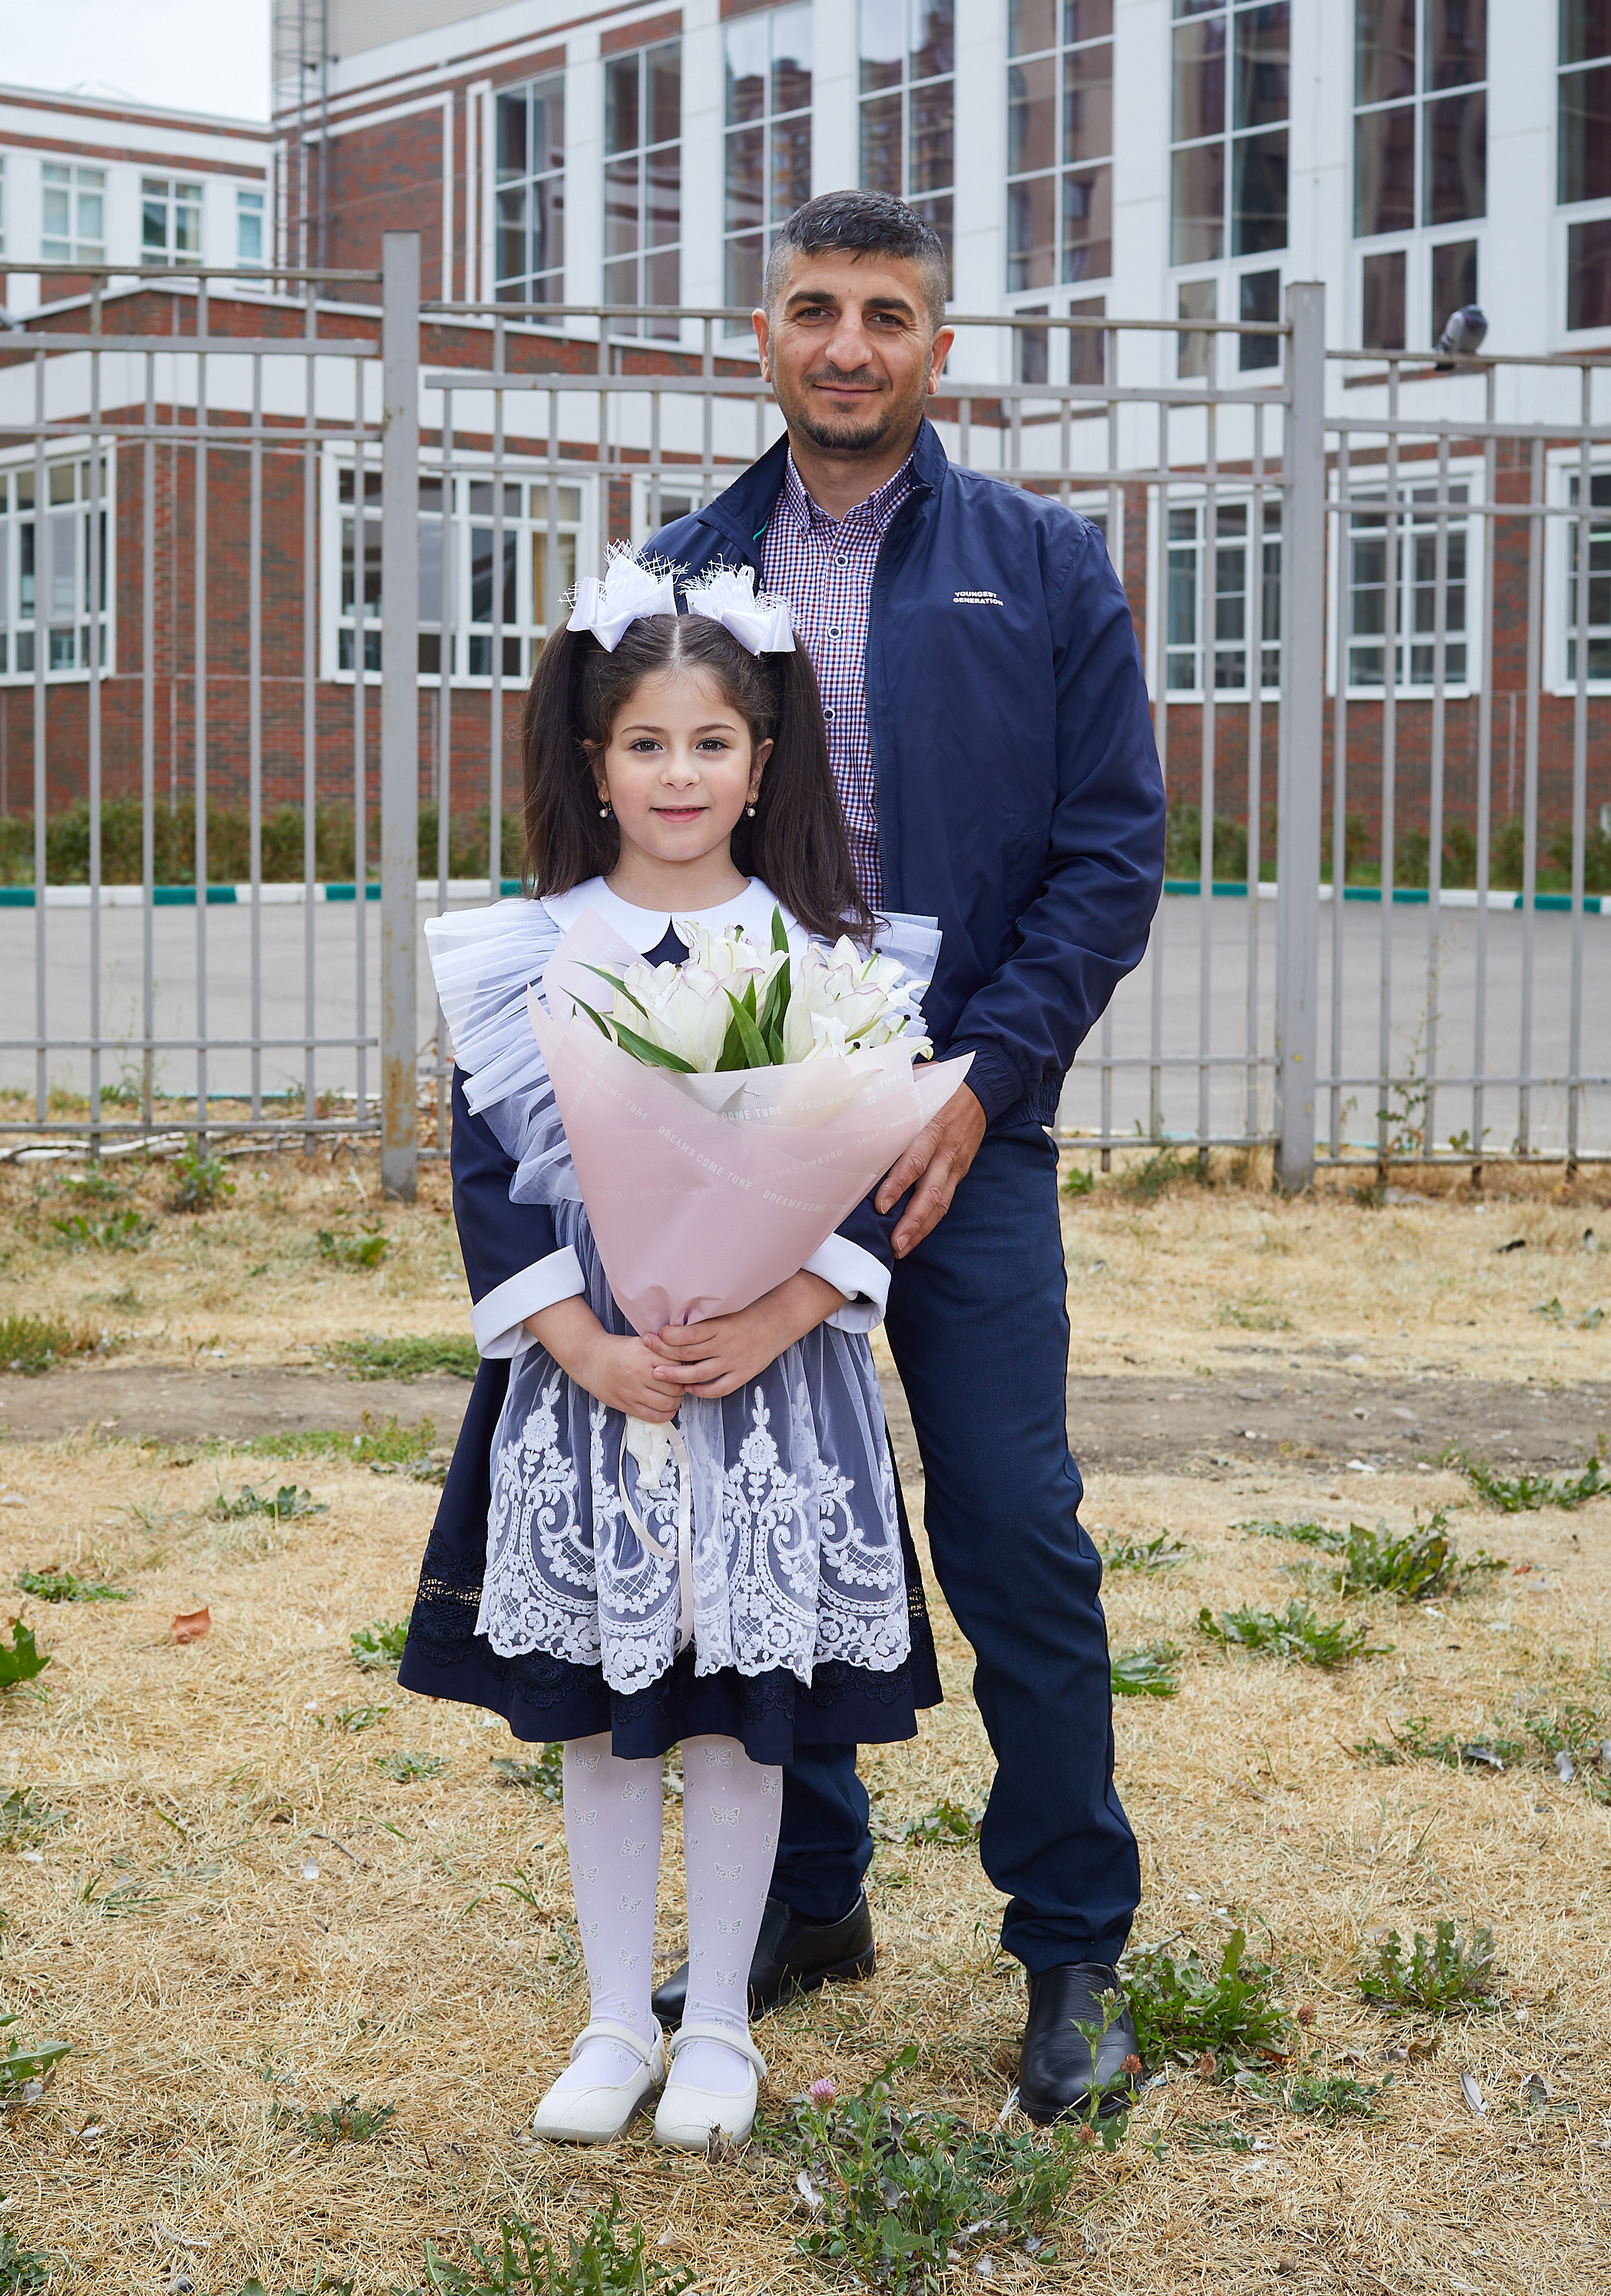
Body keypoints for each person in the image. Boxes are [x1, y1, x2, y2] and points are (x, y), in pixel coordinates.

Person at [642, 188, 1166, 2123]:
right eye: (812, 309)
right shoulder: (679, 572)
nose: (846, 344)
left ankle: (1070, 1950)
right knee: (767, 1530)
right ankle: (810, 1898)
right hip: (742, 1134)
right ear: (761, 336)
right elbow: (621, 848)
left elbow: (1110, 856)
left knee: (1012, 1530)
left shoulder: (1037, 562)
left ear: (938, 345)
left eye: (885, 314)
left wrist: (977, 1086)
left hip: (966, 1130)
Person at [397, 566, 943, 2152]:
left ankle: (718, 2030)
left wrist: (781, 1312)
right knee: (603, 1707)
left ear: (762, 764)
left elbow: (868, 1176)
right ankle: (611, 2020)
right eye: (647, 745)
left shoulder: (831, 953)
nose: (681, 776)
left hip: (770, 1397)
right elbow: (491, 1172)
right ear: (593, 762)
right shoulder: (529, 949)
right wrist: (577, 1342)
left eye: (713, 743)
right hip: (593, 1399)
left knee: (737, 1709)